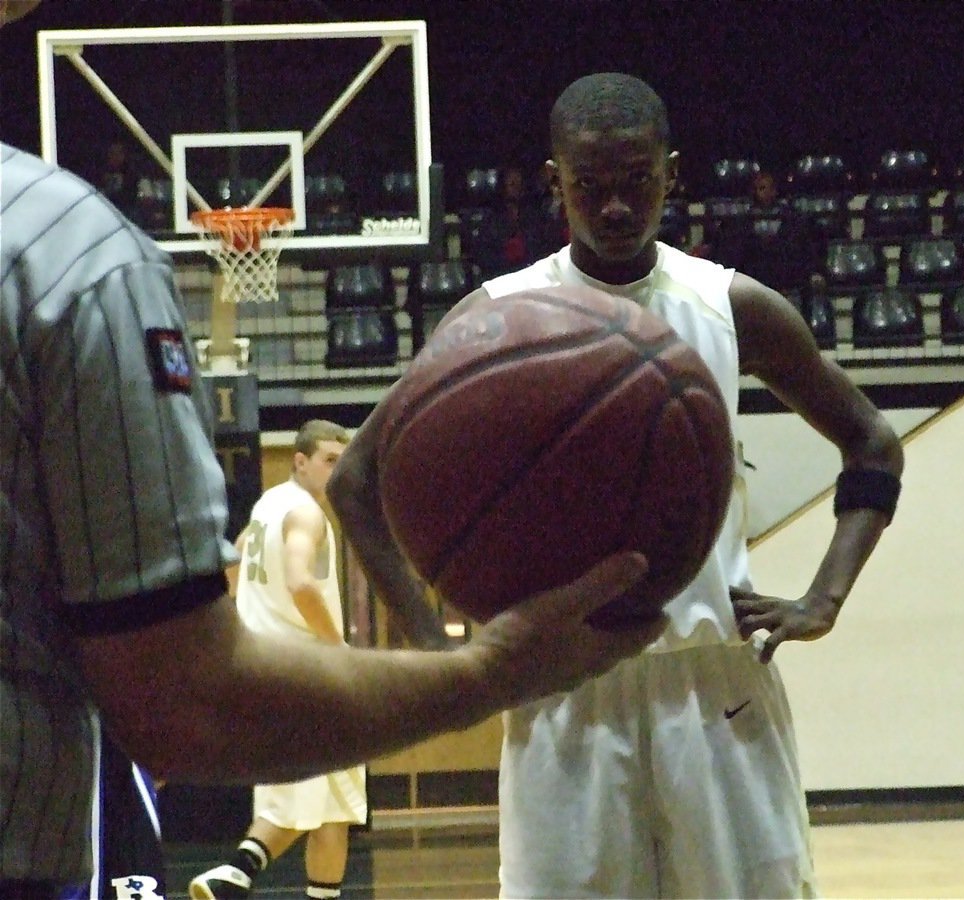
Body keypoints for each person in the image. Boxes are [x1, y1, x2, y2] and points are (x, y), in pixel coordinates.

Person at [0, 6, 666, 893]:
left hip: (229, 671)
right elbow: (190, 696)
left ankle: (243, 874)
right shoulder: (65, 256)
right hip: (231, 707)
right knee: (324, 813)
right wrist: (473, 667)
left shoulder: (265, 507)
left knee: (291, 817)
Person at [328, 72, 904, 899]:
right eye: (590, 186)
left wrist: (824, 600)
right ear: (555, 180)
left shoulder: (733, 305)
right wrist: (432, 648)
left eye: (636, 182)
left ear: (672, 173)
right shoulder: (497, 318)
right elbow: (355, 484)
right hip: (561, 688)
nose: (615, 207)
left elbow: (874, 443)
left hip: (714, 688)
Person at [190, 421, 362, 900]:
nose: (335, 470)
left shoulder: (267, 505)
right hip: (311, 675)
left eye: (340, 461)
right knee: (333, 804)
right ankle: (238, 874)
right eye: (328, 460)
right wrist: (338, 648)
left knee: (312, 802)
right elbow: (301, 582)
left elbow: (233, 561)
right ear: (300, 461)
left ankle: (234, 875)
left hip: (266, 672)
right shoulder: (306, 514)